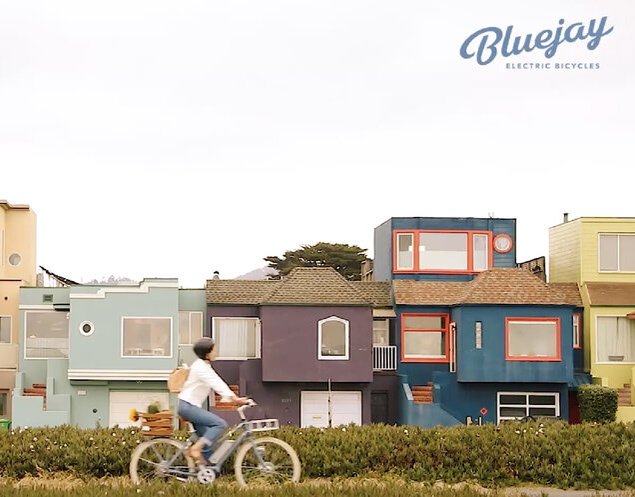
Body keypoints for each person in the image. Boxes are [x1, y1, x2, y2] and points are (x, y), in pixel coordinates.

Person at [178, 337, 248, 464]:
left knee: (208, 444)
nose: (215, 352)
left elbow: (218, 382)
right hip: (188, 407)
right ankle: (195, 449)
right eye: (213, 350)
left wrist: (231, 398)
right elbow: (217, 383)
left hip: (190, 406)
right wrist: (235, 399)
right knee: (220, 424)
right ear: (207, 354)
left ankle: (207, 471)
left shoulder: (204, 366)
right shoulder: (201, 367)